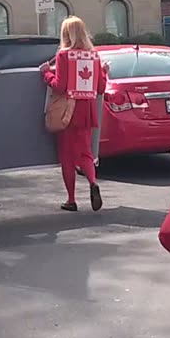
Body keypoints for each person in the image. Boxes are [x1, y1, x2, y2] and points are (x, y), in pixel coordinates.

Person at [40, 16, 105, 212]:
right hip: (86, 110)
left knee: (67, 156)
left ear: (66, 34)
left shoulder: (63, 55)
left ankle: (71, 199)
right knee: (85, 152)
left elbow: (59, 86)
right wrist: (103, 72)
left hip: (68, 110)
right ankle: (93, 182)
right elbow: (101, 88)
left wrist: (45, 74)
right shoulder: (94, 56)